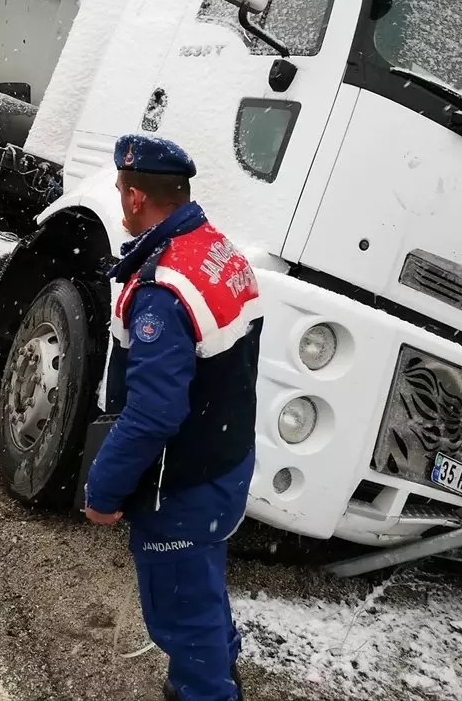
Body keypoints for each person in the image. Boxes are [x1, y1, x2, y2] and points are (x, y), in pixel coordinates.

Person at [84, 134, 262, 701]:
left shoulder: (164, 288)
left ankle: (206, 688)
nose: (118, 200)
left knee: (179, 613)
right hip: (224, 461)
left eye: (120, 191)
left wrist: (104, 492)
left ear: (137, 198)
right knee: (201, 586)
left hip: (180, 485)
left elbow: (154, 414)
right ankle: (220, 664)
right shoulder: (217, 249)